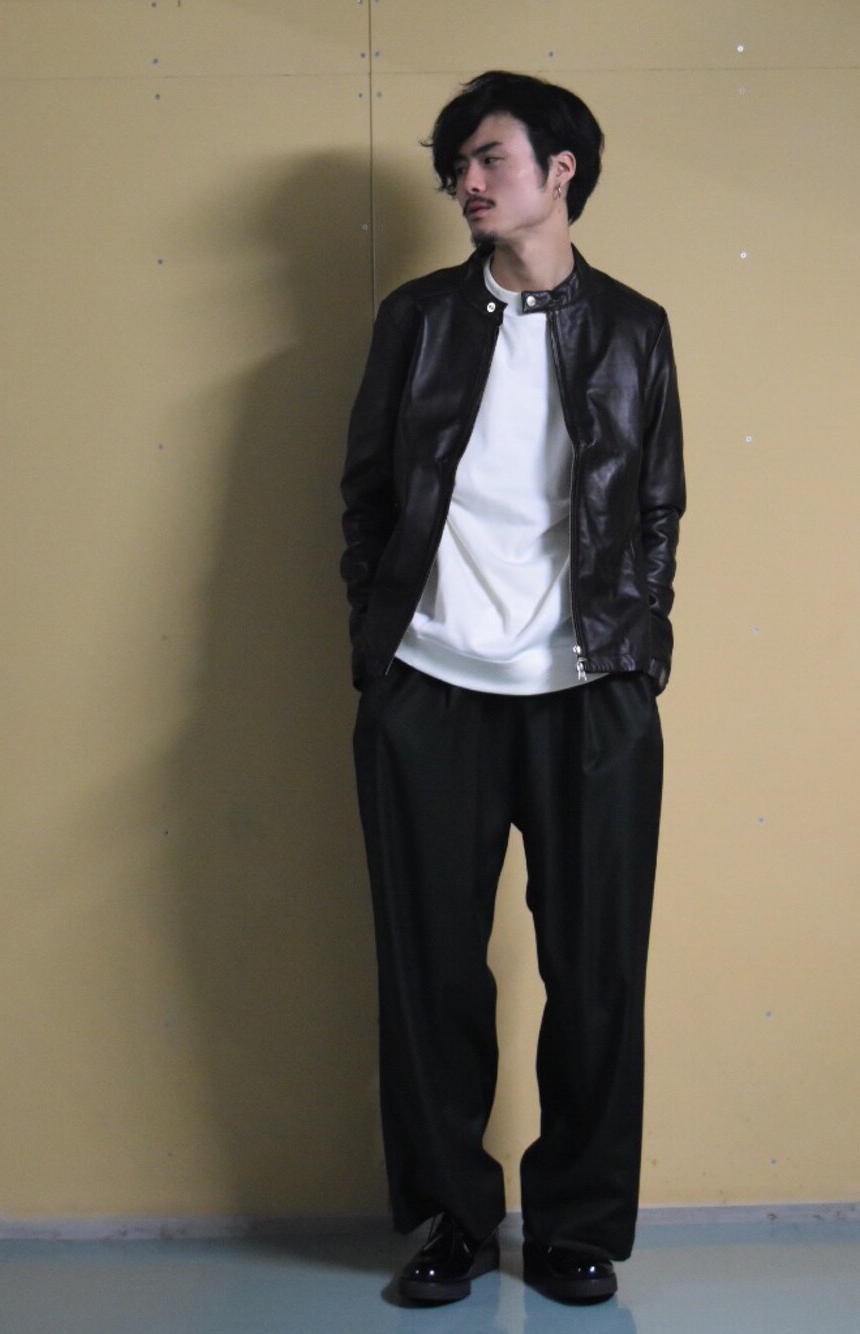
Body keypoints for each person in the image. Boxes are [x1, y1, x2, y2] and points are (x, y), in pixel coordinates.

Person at [340, 71, 685, 1306]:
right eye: (456, 168)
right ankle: (451, 1217)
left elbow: (657, 506)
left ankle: (578, 1223)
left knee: (596, 971)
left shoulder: (634, 327)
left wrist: (637, 649)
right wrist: (380, 652)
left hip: (589, 690)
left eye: (488, 158)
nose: (467, 184)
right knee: (430, 969)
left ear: (561, 169)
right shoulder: (417, 319)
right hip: (429, 686)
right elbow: (367, 494)